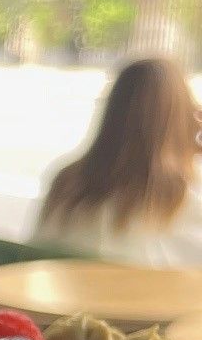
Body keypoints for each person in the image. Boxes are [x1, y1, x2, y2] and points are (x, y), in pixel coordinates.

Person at [37, 57, 202, 268]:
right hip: (152, 299)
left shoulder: (66, 182)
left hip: (70, 297)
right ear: (185, 116)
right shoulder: (191, 192)